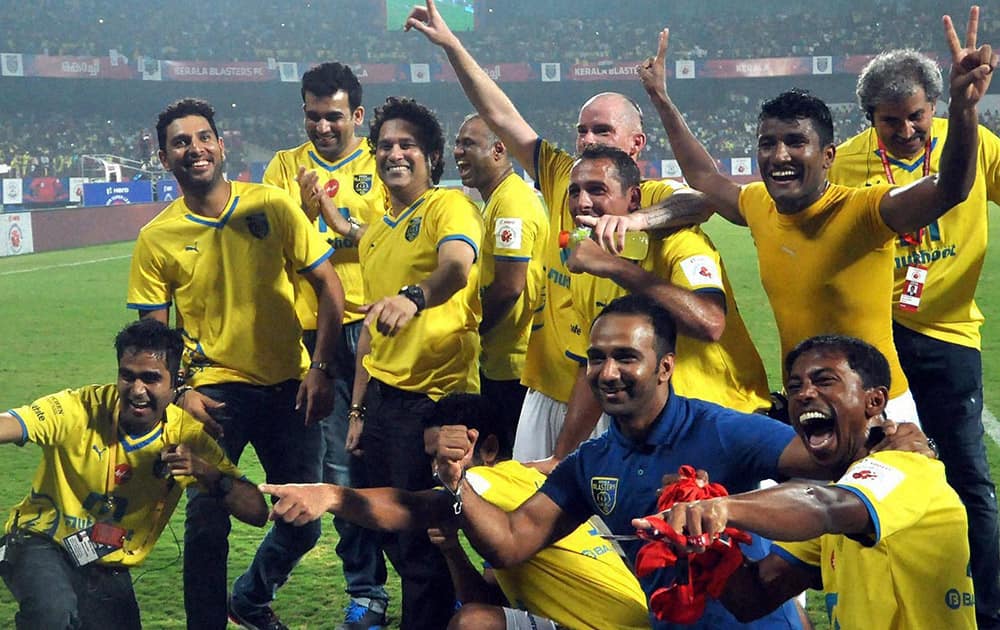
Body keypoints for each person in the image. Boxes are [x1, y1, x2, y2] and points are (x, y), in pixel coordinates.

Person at [426, 294, 934, 630]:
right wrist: (458, 483)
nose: (607, 373)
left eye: (626, 357)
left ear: (665, 366)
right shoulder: (594, 460)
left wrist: (883, 441)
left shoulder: (720, 429)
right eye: (597, 359)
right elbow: (512, 542)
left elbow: (825, 462)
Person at [626, 12, 995, 423]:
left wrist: (963, 109)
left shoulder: (865, 211)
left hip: (877, 411)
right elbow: (703, 175)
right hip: (806, 406)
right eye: (768, 144)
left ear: (828, 156)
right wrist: (661, 99)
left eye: (796, 142)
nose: (779, 155)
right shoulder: (758, 205)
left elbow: (951, 188)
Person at [406, 0, 713, 469]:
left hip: (613, 390)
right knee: (533, 512)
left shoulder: (642, 195)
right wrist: (451, 45)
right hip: (547, 384)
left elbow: (698, 200)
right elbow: (500, 114)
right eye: (583, 131)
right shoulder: (559, 176)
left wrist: (636, 220)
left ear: (636, 144)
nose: (589, 140)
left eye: (603, 130)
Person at [126, 97, 345, 630]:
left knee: (303, 519)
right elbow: (155, 337)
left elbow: (329, 286)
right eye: (181, 142)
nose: (194, 149)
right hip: (214, 395)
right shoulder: (157, 238)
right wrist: (180, 392)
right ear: (164, 158)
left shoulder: (271, 205)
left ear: (221, 147)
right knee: (205, 525)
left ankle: (249, 596)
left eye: (203, 138)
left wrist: (320, 368)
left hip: (290, 385)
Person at [827, 46, 1000, 629]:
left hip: (950, 334)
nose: (905, 130)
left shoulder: (973, 140)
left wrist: (967, 107)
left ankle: (988, 608)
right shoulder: (845, 165)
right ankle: (880, 602)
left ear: (935, 108)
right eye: (889, 120)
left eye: (917, 117)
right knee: (870, 467)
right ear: (869, 117)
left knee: (968, 475)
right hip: (875, 341)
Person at [638, 335, 976, 629]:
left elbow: (822, 506)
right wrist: (709, 543)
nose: (803, 394)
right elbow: (754, 597)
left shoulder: (905, 470)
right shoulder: (843, 497)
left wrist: (718, 507)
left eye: (825, 381)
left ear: (874, 401)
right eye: (795, 386)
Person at [260, 393, 651, 630]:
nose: (438, 470)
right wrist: (452, 550)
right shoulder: (534, 478)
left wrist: (331, 495)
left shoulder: (485, 484)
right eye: (433, 458)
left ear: (489, 449)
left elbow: (412, 507)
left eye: (449, 455)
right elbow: (486, 602)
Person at [0, 319, 267, 630]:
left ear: (175, 383)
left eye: (151, 379)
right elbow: (14, 423)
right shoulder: (81, 408)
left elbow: (258, 511)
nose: (137, 390)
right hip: (39, 541)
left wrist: (208, 474)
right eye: (128, 376)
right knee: (52, 615)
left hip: (105, 565)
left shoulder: (187, 437)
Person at [335, 95, 483, 630]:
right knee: (390, 532)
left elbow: (457, 267)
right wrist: (356, 411)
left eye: (407, 145)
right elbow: (370, 335)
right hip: (381, 406)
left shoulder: (449, 208)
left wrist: (415, 297)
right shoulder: (375, 233)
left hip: (435, 403)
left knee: (424, 544)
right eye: (385, 146)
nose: (394, 153)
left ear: (432, 155)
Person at [262, 61, 390, 630]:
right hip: (311, 336)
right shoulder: (284, 167)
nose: (322, 128)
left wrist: (320, 224)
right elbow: (267, 247)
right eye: (313, 117)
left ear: (357, 115)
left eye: (334, 116)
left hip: (377, 330)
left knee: (390, 460)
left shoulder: (383, 162)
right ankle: (366, 591)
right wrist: (316, 231)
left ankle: (421, 584)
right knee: (335, 465)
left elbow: (389, 247)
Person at [564, 143, 770, 422]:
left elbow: (710, 323)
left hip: (724, 417)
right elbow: (596, 365)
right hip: (653, 426)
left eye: (597, 190)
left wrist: (613, 267)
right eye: (574, 192)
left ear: (633, 198)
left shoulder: (681, 242)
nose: (582, 203)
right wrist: (561, 454)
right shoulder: (586, 266)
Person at [454, 113, 548, 448]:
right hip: (504, 359)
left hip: (514, 364)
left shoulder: (511, 203)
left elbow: (510, 286)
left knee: (506, 461)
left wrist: (472, 328)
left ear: (498, 151)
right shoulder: (501, 198)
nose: (458, 151)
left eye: (469, 143)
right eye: (457, 142)